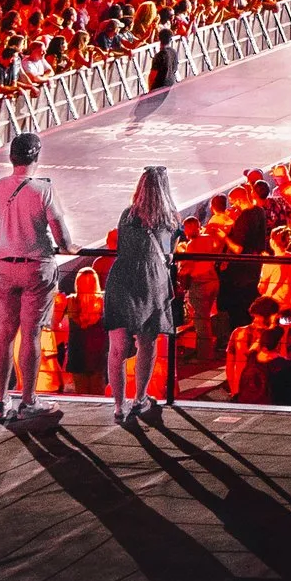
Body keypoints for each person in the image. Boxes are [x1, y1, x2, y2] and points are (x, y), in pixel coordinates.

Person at [0, 129, 72, 424]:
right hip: (36, 265)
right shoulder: (43, 188)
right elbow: (59, 229)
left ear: (12, 157)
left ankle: (0, 399)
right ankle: (29, 400)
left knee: (4, 335)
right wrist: (69, 246)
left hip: (5, 265)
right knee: (30, 334)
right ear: (35, 157)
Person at [103, 165, 180, 425]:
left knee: (117, 348)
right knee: (147, 342)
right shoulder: (170, 219)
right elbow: (169, 253)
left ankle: (118, 405)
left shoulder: (127, 216)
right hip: (151, 280)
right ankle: (140, 398)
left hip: (121, 277)